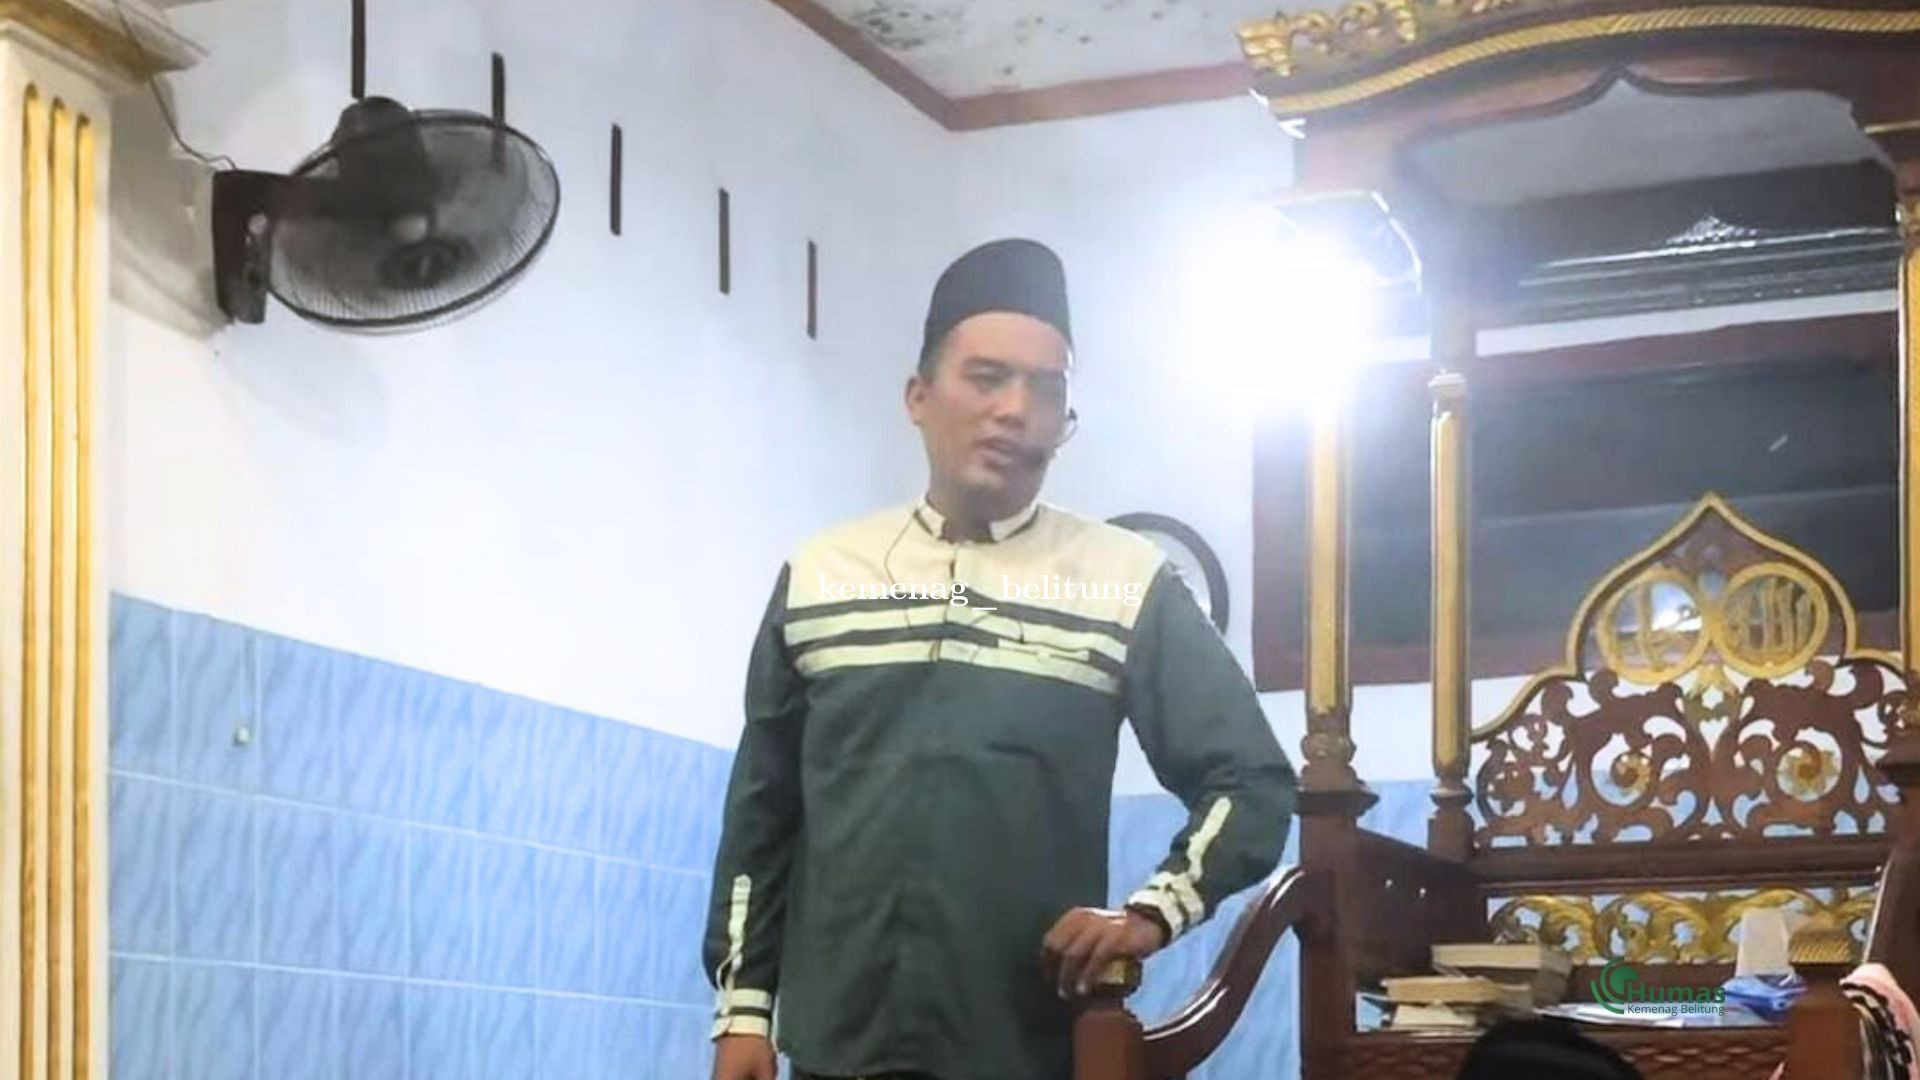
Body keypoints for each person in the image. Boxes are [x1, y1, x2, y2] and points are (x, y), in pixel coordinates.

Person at [703, 238, 1297, 1080]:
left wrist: (1151, 913)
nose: (1016, 410)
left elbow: (1252, 782)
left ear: (1065, 421)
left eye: (1046, 390)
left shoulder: (1123, 583)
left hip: (1027, 1048)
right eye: (987, 378)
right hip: (836, 1050)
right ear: (919, 396)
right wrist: (742, 1013)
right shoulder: (821, 578)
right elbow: (762, 817)